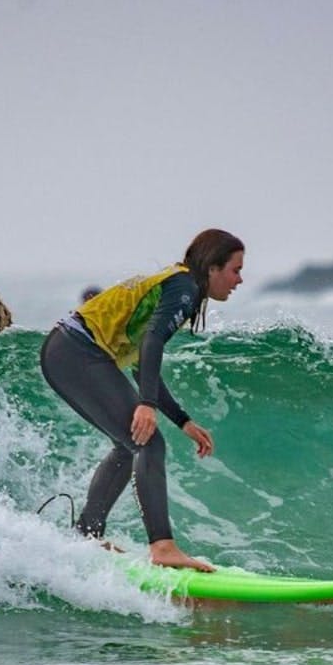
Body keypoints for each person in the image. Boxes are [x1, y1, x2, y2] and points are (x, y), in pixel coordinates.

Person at [39, 229, 245, 571]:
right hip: (77, 351)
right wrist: (145, 405)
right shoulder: (185, 287)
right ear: (212, 268)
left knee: (129, 443)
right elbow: (152, 344)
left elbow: (140, 359)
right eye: (235, 270)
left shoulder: (178, 284)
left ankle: (86, 537)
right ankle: (163, 548)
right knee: (148, 442)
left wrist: (183, 420)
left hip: (68, 351)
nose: (239, 279)